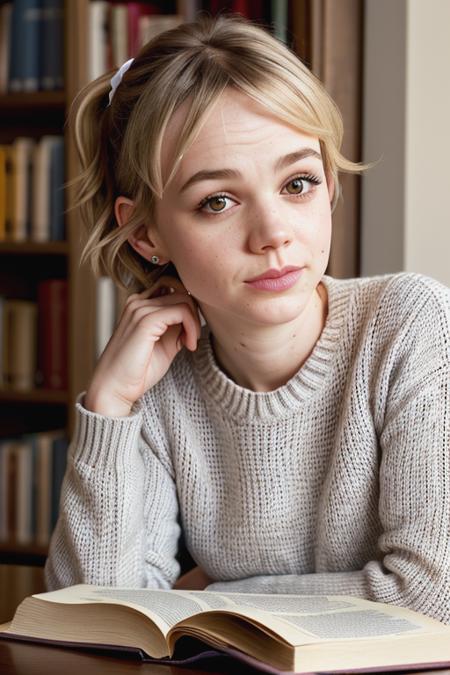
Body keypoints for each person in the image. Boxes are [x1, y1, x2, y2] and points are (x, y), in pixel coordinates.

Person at [44, 14, 450, 624]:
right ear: (147, 232)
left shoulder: (409, 324)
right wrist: (109, 409)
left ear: (329, 183)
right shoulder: (157, 378)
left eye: (298, 183)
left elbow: (433, 595)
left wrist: (207, 599)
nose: (274, 235)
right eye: (218, 201)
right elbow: (94, 620)